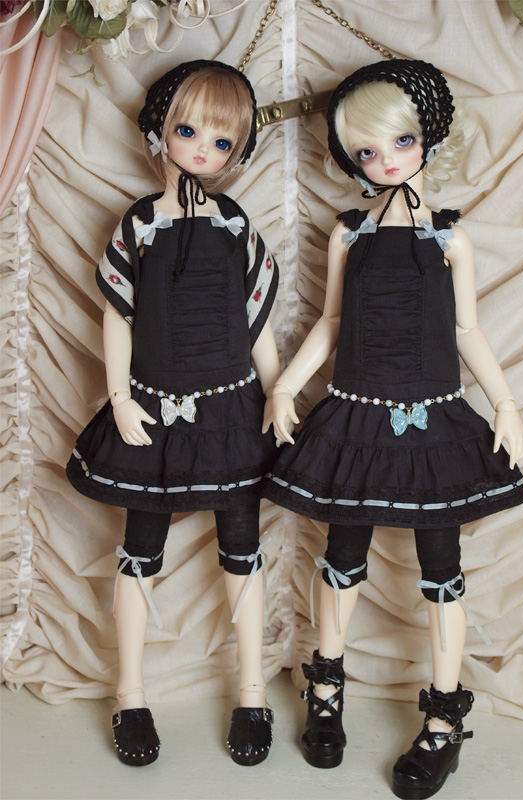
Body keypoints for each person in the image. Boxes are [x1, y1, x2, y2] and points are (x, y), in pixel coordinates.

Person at [264, 59, 523, 799]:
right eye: (367, 150)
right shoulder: (348, 233)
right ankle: (326, 690)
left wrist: (506, 404)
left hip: (433, 419)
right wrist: (284, 384)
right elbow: (331, 321)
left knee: (441, 570)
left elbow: (468, 330)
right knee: (341, 557)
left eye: (399, 142)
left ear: (427, 139)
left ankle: (443, 721)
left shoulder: (450, 237)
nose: (384, 161)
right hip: (355, 418)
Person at [66, 60, 281, 768]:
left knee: (242, 549)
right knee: (140, 550)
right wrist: (120, 397)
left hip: (232, 411)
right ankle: (129, 693)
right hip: (152, 410)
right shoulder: (140, 222)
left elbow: (256, 321)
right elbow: (117, 314)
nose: (201, 152)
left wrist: (279, 394)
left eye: (221, 142)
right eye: (188, 132)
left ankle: (252, 692)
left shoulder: (234, 222)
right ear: (159, 131)